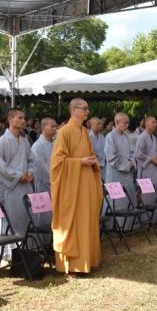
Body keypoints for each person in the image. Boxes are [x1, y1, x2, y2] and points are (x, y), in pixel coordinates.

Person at [50, 98, 103, 274]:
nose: (88, 112)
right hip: (72, 186)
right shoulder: (64, 132)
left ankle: (88, 260)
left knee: (87, 220)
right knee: (75, 222)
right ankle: (74, 264)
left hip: (86, 183)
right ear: (74, 110)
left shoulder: (84, 132)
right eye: (85, 108)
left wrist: (92, 159)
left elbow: (90, 153)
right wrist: (79, 162)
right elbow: (57, 162)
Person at [0, 108, 35, 259]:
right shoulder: (2, 141)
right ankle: (8, 254)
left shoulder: (24, 141)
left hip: (24, 185)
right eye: (20, 118)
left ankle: (24, 251)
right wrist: (17, 176)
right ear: (10, 119)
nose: (23, 121)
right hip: (9, 187)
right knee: (9, 218)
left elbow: (31, 160)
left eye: (24, 118)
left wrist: (30, 172)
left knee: (24, 216)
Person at [31, 117, 57, 243]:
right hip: (43, 184)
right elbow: (41, 168)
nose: (54, 129)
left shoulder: (55, 144)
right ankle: (43, 243)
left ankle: (53, 242)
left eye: (55, 126)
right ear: (43, 127)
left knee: (55, 215)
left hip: (56, 183)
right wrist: (54, 179)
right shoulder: (37, 146)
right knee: (44, 215)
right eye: (51, 126)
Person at [105, 112, 136, 202]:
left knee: (128, 200)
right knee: (116, 202)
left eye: (128, 123)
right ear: (117, 122)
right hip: (115, 174)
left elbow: (131, 152)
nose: (127, 125)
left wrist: (132, 162)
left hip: (127, 173)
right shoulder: (110, 136)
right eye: (125, 123)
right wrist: (127, 165)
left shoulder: (126, 136)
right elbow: (111, 157)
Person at [135, 116, 157, 186]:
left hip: (155, 168)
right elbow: (138, 154)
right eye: (153, 122)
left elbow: (156, 151)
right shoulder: (141, 137)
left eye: (155, 122)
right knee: (147, 193)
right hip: (146, 168)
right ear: (146, 124)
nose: (155, 124)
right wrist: (151, 159)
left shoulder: (154, 137)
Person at [89, 117, 107, 182]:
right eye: (98, 124)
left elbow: (106, 150)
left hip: (103, 165)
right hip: (92, 166)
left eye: (101, 124)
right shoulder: (88, 137)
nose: (100, 126)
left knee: (108, 182)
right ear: (91, 125)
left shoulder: (102, 137)